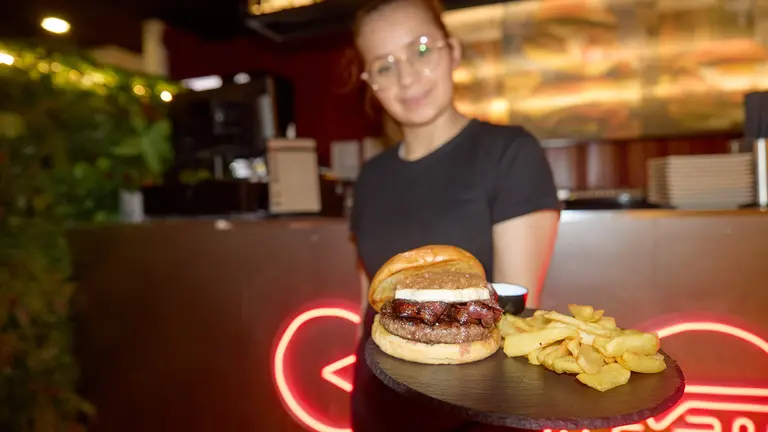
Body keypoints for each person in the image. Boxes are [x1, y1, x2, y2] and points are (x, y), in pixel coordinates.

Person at [348, 0, 561, 430]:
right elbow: (368, 300)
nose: (406, 76)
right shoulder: (370, 177)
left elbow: (516, 316)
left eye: (421, 49)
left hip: (473, 408)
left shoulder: (510, 154)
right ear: (370, 82)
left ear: (453, 51)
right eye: (385, 65)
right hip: (377, 402)